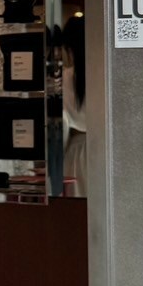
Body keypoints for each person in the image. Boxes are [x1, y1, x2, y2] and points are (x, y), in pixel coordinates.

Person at [59, 14, 87, 197]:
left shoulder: (64, 78)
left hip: (76, 153)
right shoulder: (105, 75)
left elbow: (61, 125)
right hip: (106, 150)